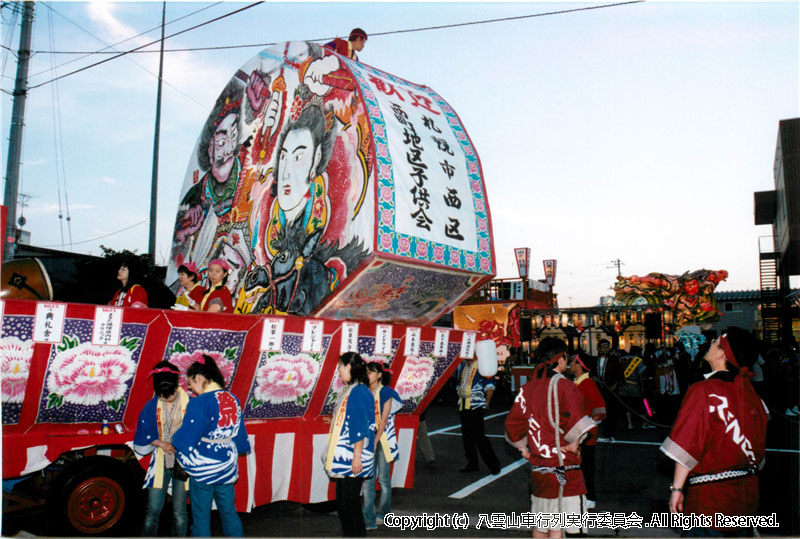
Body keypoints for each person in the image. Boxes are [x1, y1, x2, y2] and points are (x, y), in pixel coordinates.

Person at [660, 327, 769, 537]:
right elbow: (760, 452)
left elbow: (687, 445)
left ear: (722, 353)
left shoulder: (703, 391)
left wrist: (677, 490)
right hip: (746, 498)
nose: (709, 344)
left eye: (714, 342)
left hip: (710, 502)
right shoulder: (752, 394)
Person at [505, 338, 595, 538]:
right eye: (566, 357)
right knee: (559, 527)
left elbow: (513, 424)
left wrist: (523, 449)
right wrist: (575, 443)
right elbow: (578, 422)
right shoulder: (566, 386)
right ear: (560, 359)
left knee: (541, 524)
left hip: (539, 471)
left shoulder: (528, 389)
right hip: (564, 470)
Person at [172, 354, 250, 537]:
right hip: (227, 465)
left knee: (201, 516)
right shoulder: (232, 398)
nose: (190, 389)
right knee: (229, 512)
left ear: (199, 378)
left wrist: (175, 440)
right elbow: (240, 437)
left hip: (205, 465)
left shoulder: (200, 402)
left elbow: (187, 438)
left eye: (191, 383)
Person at [133, 361, 190, 536]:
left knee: (180, 511)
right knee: (153, 509)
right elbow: (144, 433)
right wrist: (162, 444)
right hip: (161, 459)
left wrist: (179, 442)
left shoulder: (190, 404)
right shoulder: (151, 406)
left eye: (171, 393)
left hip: (182, 462)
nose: (168, 398)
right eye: (163, 396)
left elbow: (196, 431)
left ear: (177, 385)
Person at [324, 352, 376, 537]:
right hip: (349, 456)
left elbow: (360, 427)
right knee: (345, 504)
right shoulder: (355, 389)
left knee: (349, 505)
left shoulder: (358, 391)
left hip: (352, 456)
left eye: (340, 367)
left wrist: (356, 457)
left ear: (349, 367)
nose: (338, 371)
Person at [362, 363, 402, 530]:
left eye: (371, 372)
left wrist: (376, 440)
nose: (368, 374)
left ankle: (383, 513)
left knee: (384, 480)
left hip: (384, 440)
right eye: (367, 372)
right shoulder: (362, 391)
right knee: (369, 481)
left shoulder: (387, 392)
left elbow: (384, 420)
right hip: (368, 439)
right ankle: (369, 520)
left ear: (379, 375)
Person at [569, 353, 605, 510]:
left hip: (586, 436)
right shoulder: (575, 383)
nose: (570, 364)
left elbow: (600, 410)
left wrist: (587, 426)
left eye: (572, 362)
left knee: (586, 468)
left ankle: (590, 497)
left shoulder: (588, 384)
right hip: (574, 435)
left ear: (579, 365)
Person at [456, 354, 501, 475]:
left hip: (476, 404)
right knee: (467, 437)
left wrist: (487, 401)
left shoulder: (482, 366)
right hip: (463, 404)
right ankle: (472, 463)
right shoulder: (463, 367)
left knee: (479, 437)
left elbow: (490, 385)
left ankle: (494, 465)